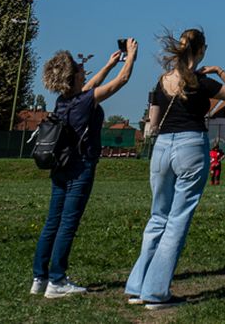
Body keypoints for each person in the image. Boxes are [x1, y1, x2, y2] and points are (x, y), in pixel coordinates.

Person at [124, 29, 225, 310]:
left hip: (162, 146)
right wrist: (219, 70)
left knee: (158, 217)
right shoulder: (200, 81)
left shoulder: (162, 80)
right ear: (201, 50)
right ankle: (156, 292)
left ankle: (137, 286)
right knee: (178, 219)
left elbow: (152, 122)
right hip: (190, 144)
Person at [31, 39, 137, 298]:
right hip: (81, 166)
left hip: (61, 166)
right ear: (74, 75)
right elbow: (121, 81)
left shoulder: (64, 101)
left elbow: (91, 85)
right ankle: (57, 280)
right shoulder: (85, 101)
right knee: (68, 223)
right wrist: (131, 55)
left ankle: (40, 278)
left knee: (52, 222)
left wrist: (110, 64)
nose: (82, 67)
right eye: (79, 66)